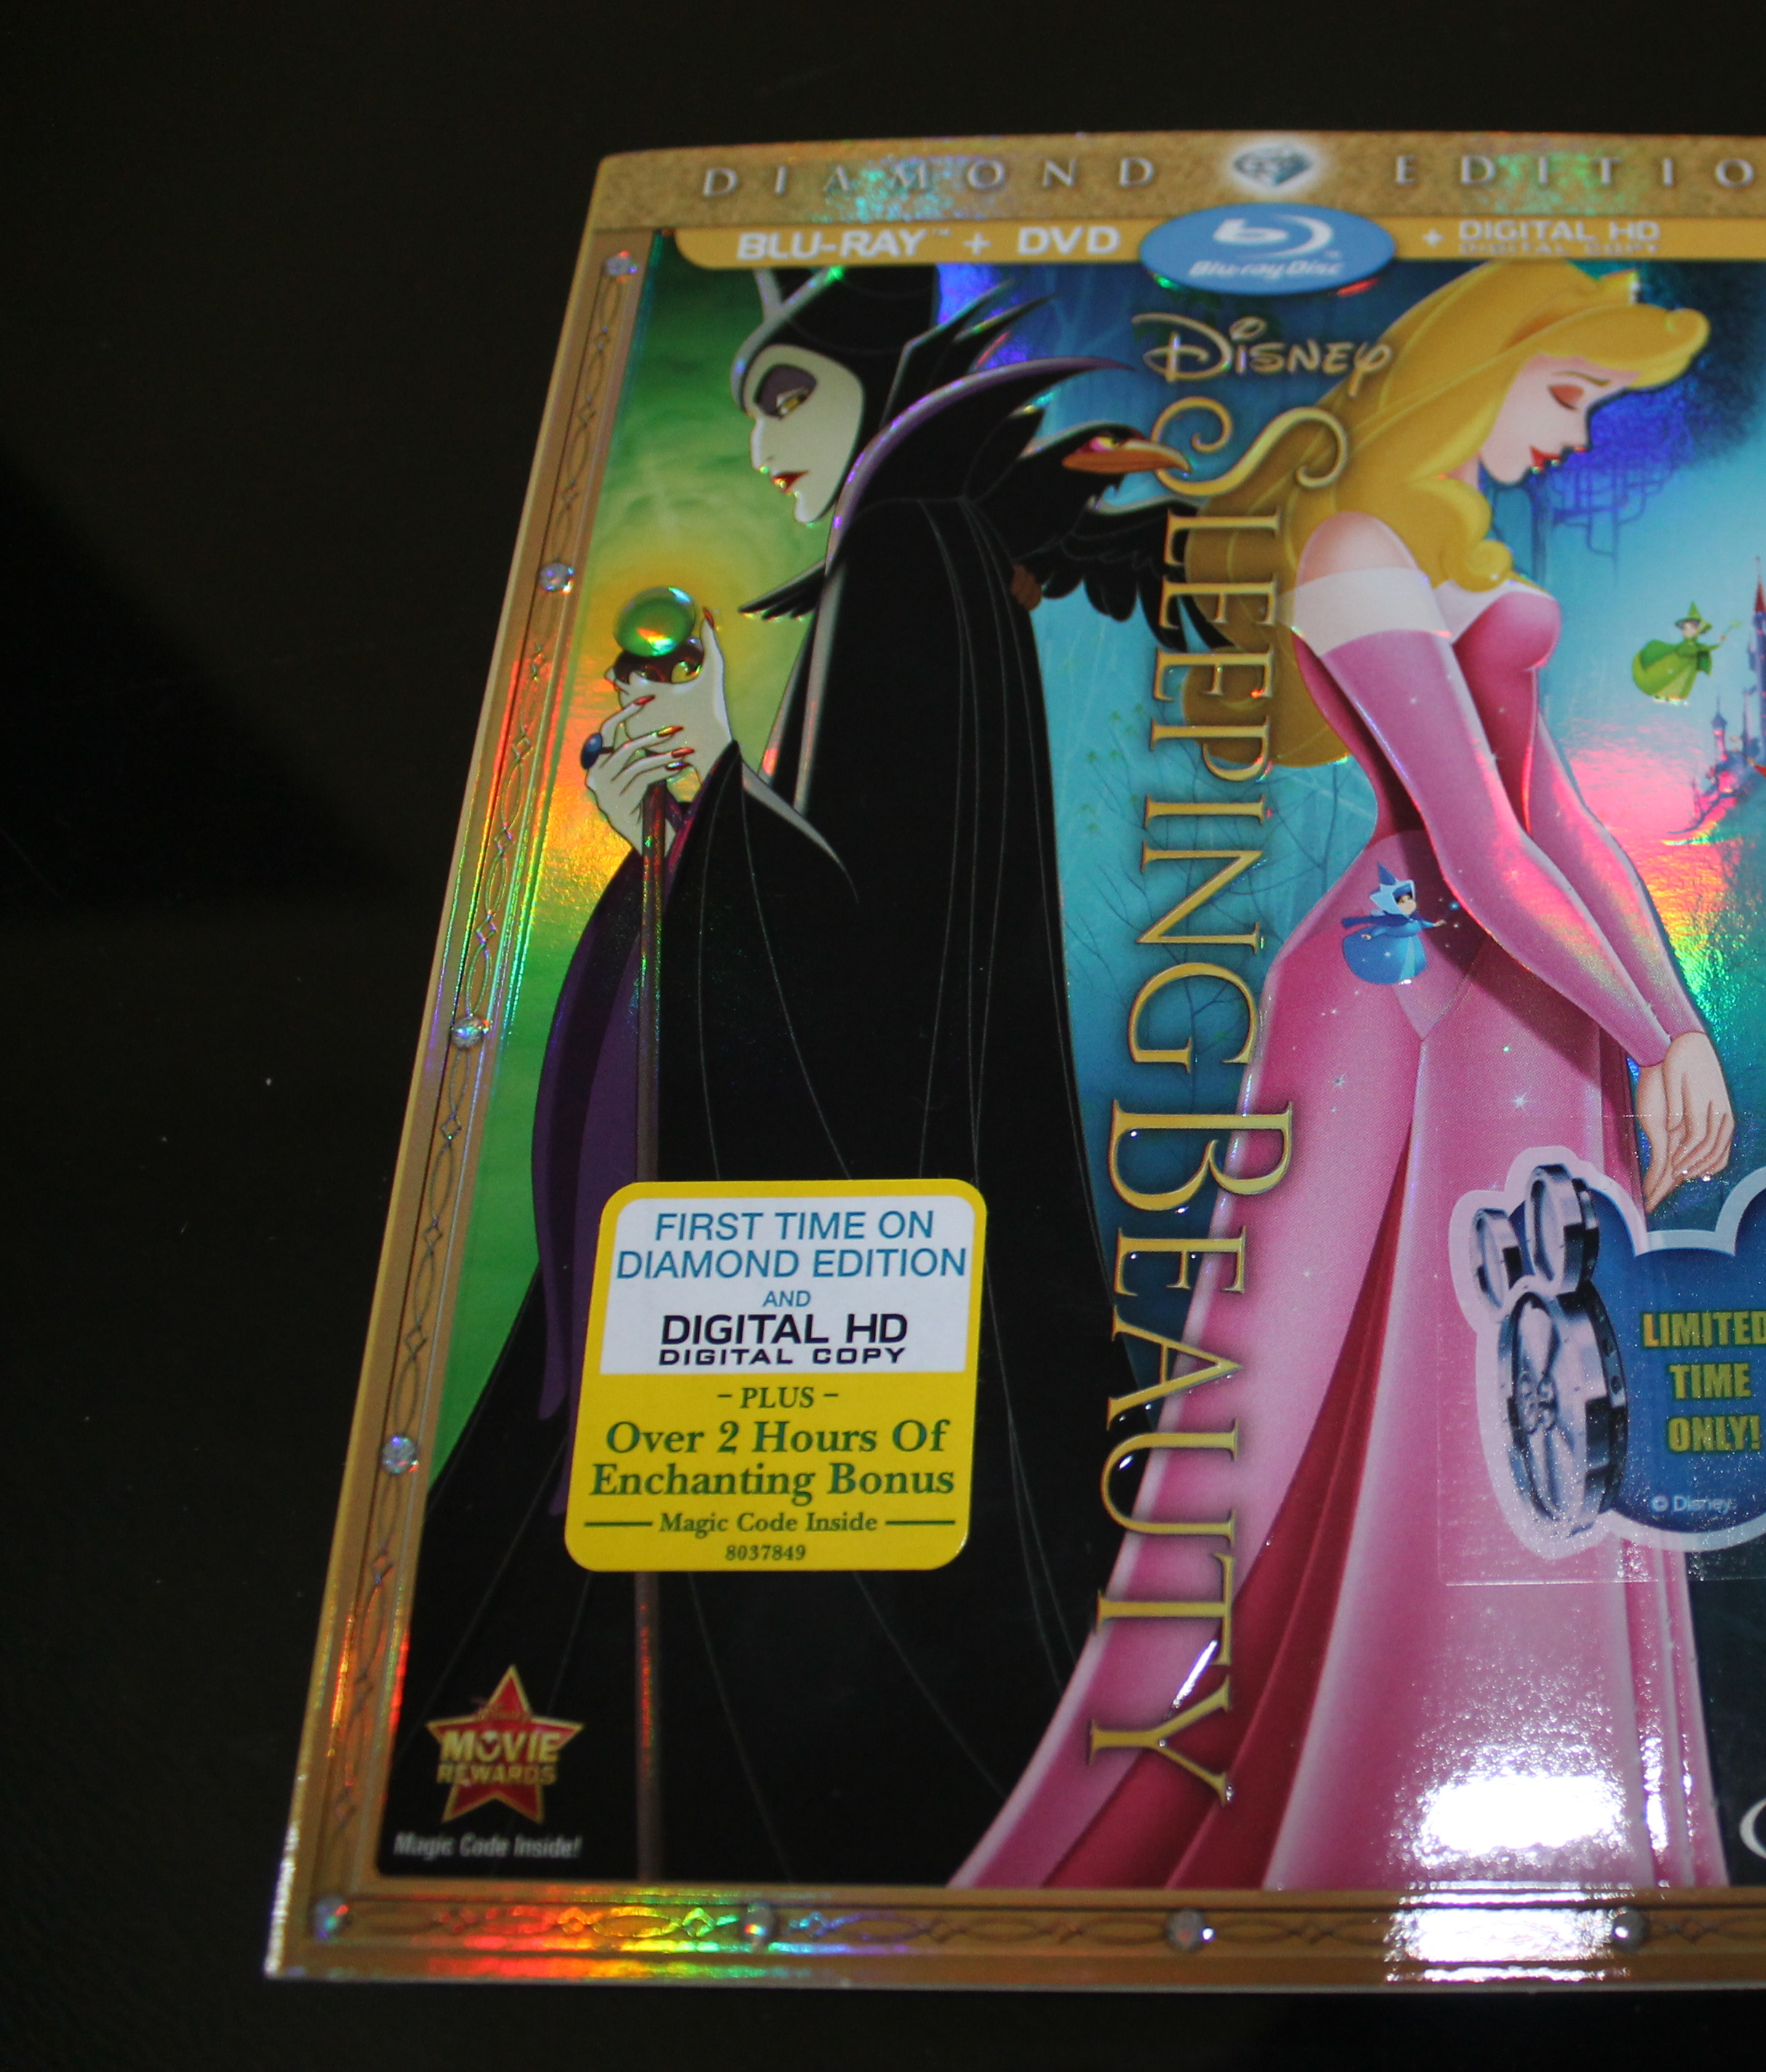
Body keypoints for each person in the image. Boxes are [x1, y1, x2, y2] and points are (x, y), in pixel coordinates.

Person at [384, 264, 1193, 1884]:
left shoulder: (903, 551)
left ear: (880, 385)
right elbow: (889, 931)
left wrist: (705, 796)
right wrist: (704, 806)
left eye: (788, 394)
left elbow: (872, 955)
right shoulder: (921, 551)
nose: (762, 444)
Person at [959, 262, 1741, 1892]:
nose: (1575, 434)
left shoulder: (1453, 550)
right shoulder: (1354, 552)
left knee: (1533, 1371)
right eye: (1571, 391)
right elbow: (1475, 843)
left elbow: (1559, 824)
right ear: (1481, 361)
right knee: (1339, 1385)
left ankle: (1535, 1789)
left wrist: (1678, 1022)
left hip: (1523, 990)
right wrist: (1653, 1031)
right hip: (1403, 994)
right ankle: (1352, 1791)